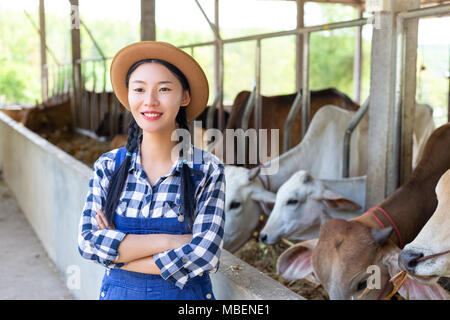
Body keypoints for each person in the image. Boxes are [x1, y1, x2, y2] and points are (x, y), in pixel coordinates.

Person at [77, 41, 226, 300]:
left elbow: (204, 255)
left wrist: (119, 255)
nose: (150, 101)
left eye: (164, 89)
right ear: (129, 95)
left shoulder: (207, 170)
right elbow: (88, 243)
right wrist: (171, 242)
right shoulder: (108, 167)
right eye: (139, 89)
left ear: (185, 97)